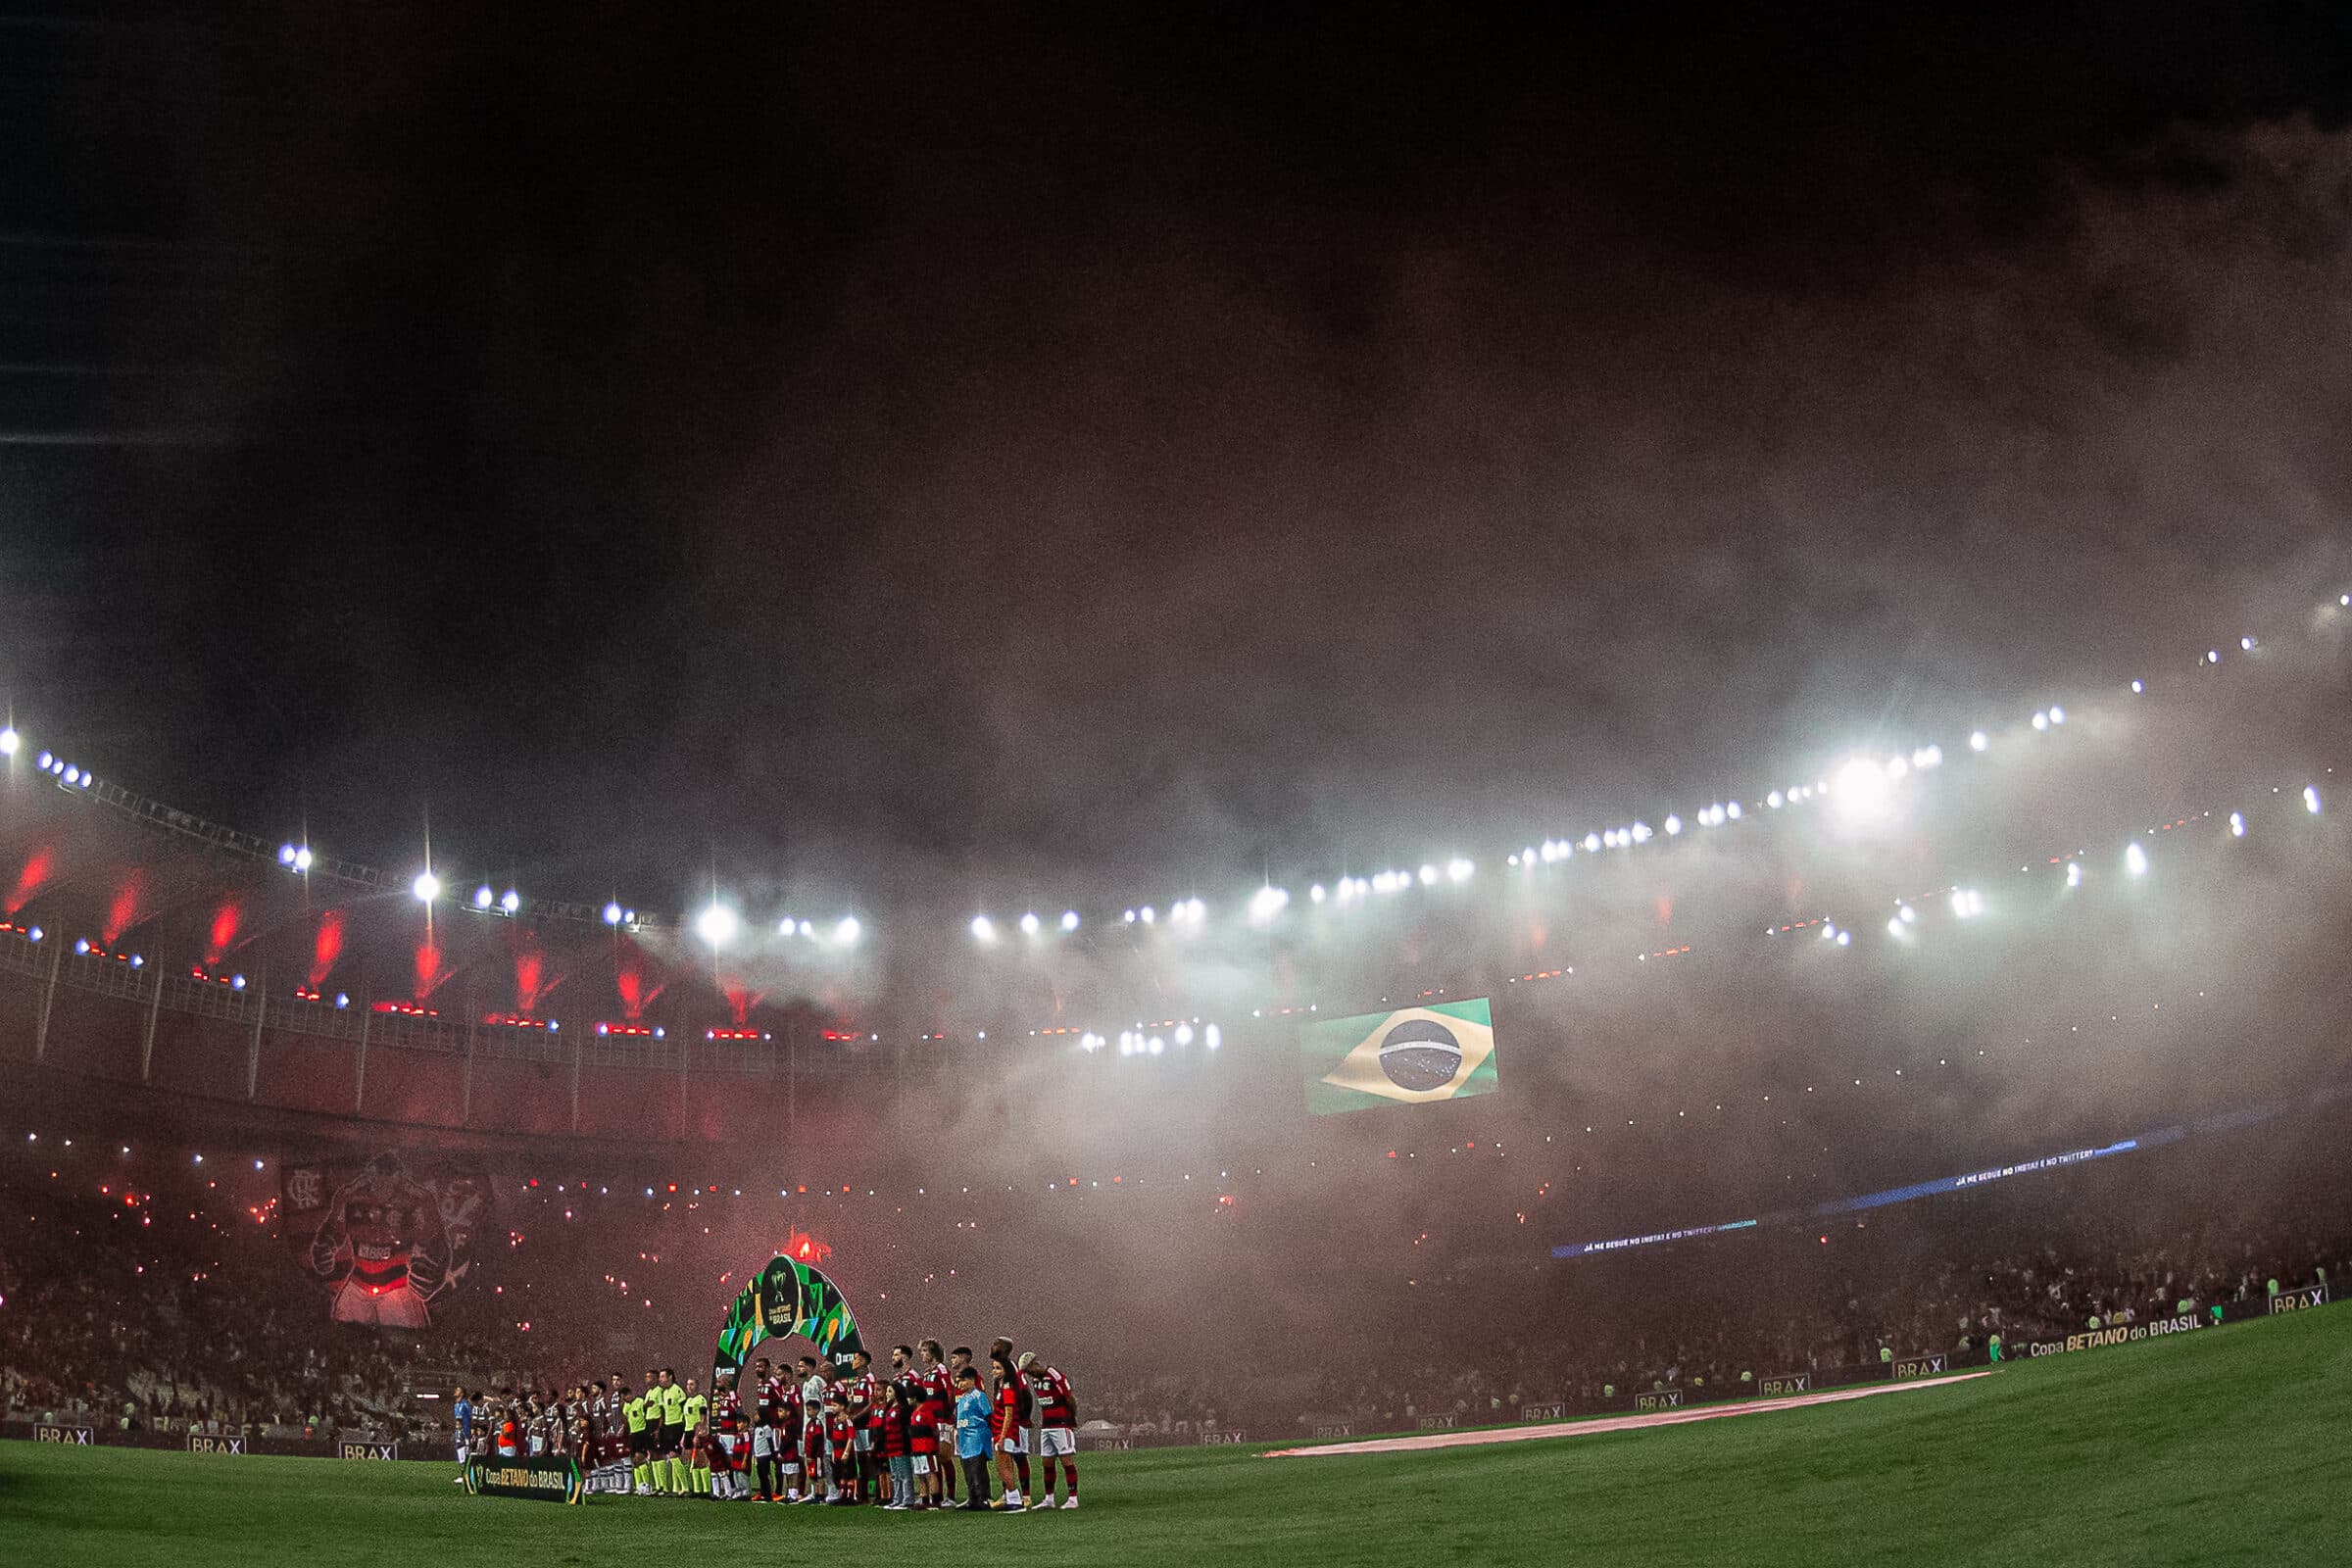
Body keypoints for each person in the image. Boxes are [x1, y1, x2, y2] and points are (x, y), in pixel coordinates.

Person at [1019, 1352, 1080, 1509]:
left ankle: (1073, 1498)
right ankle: (1049, 1498)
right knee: (1047, 1462)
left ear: (1035, 1364)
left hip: (1061, 1424)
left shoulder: (1053, 1374)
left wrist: (1071, 1417)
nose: (1029, 1373)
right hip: (1046, 1425)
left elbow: (1068, 1397)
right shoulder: (1035, 1380)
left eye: (1029, 1369)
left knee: (1066, 1460)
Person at [988, 1352, 1029, 1511]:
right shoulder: (1001, 1386)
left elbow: (1009, 1414)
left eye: (998, 1368)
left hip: (1006, 1433)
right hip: (998, 1432)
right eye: (993, 1368)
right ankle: (1012, 1498)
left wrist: (1003, 1436)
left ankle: (1016, 1499)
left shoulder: (1009, 1388)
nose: (994, 1371)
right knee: (1002, 1468)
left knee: (1004, 1468)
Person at [953, 1366, 994, 1510]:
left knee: (978, 1470)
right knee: (968, 1471)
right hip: (964, 1441)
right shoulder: (961, 1399)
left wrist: (991, 1435)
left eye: (962, 1381)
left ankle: (984, 1498)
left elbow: (988, 1415)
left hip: (977, 1439)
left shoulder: (979, 1396)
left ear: (971, 1380)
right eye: (957, 1382)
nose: (960, 1385)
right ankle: (972, 1498)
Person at [879, 1381, 913, 1509]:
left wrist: (907, 1445)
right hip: (890, 1446)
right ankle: (897, 1499)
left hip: (900, 1446)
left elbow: (906, 1428)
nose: (886, 1394)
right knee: (895, 1475)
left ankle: (908, 1499)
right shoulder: (888, 1409)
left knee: (904, 1474)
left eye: (889, 1391)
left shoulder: (902, 1409)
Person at [659, 1368, 687, 1495]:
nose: (660, 1379)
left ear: (670, 1377)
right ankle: (676, 1488)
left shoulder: (678, 1391)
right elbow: (663, 1412)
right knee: (671, 1456)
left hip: (677, 1426)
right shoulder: (664, 1393)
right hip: (667, 1427)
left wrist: (685, 1430)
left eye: (662, 1377)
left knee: (674, 1455)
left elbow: (685, 1411)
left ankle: (685, 1487)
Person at [681, 1377, 710, 1498]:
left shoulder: (700, 1399)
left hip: (697, 1433)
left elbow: (703, 1418)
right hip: (687, 1432)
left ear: (697, 1386)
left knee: (700, 1460)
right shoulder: (687, 1401)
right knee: (690, 1461)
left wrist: (698, 1433)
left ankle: (706, 1490)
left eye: (692, 1384)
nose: (689, 1387)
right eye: (688, 1384)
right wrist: (684, 1435)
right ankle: (697, 1489)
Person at [451, 1387, 473, 1485]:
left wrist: (471, 1430)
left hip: (466, 1432)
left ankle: (466, 1475)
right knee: (459, 1454)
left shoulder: (465, 1404)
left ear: (462, 1393)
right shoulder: (456, 1405)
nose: (455, 1390)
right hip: (458, 1433)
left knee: (465, 1454)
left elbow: (471, 1417)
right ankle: (462, 1475)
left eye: (458, 1390)